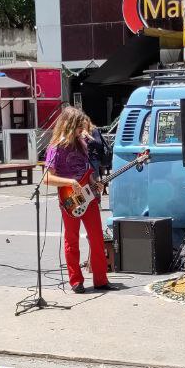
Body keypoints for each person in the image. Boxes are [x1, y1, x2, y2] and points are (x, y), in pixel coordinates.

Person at [43, 107, 119, 294]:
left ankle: (101, 279)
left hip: (88, 196)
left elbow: (88, 171)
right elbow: (46, 178)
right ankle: (76, 280)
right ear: (70, 126)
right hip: (69, 197)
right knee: (72, 239)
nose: (82, 131)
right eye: (79, 127)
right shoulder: (55, 148)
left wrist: (95, 182)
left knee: (97, 238)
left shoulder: (82, 143)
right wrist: (69, 181)